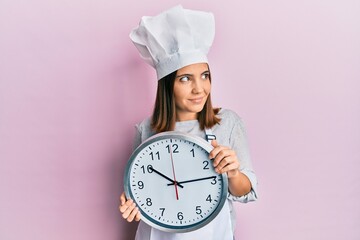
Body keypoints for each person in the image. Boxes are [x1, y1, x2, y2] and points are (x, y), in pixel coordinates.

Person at [119, 5, 258, 240]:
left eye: (205, 76)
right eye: (185, 79)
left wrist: (233, 173)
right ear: (167, 85)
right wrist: (132, 206)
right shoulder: (146, 129)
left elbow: (244, 192)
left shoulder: (227, 123)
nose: (199, 88)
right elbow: (140, 191)